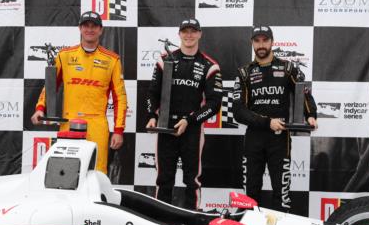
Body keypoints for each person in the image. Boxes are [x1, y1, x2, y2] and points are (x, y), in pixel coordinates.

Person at [31, 11, 127, 175]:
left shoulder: (112, 60)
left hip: (97, 124)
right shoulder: (65, 56)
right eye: (86, 26)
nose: (90, 29)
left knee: (97, 172)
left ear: (100, 30)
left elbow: (120, 98)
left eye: (94, 26)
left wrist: (118, 131)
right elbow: (50, 86)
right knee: (66, 171)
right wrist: (40, 108)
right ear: (80, 28)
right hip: (69, 122)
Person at [233, 25, 317, 211]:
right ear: (252, 43)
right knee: (250, 193)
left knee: (282, 193)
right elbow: (238, 111)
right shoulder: (244, 72)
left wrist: (311, 115)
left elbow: (303, 91)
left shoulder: (287, 67)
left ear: (272, 42)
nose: (261, 45)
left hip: (280, 138)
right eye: (257, 41)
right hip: (254, 138)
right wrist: (267, 122)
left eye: (265, 40)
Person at [146, 18, 223, 210]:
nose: (189, 35)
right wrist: (152, 116)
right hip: (165, 128)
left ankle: (192, 221)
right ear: (179, 34)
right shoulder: (165, 60)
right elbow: (153, 93)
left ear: (200, 34)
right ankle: (160, 219)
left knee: (192, 180)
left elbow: (214, 104)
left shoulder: (210, 65)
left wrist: (189, 120)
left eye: (193, 31)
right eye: (185, 31)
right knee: (164, 179)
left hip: (192, 129)